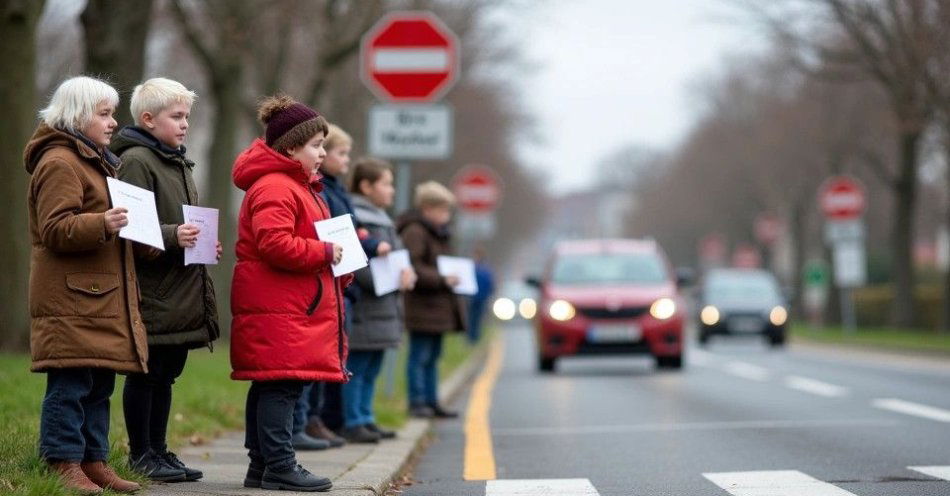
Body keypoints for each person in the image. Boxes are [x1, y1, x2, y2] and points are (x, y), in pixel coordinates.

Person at [24, 76, 148, 494]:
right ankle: (62, 461)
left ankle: (94, 461)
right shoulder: (60, 161)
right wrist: (103, 222)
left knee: (98, 383)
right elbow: (54, 228)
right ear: (78, 115)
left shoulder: (95, 160)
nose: (114, 123)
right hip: (71, 298)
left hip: (96, 297)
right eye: (105, 114)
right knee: (71, 383)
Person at [230, 94, 347, 492]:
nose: (322, 153)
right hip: (280, 306)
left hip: (290, 304)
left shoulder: (299, 187)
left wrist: (337, 267)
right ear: (291, 146)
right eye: (316, 145)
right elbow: (275, 244)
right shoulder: (277, 188)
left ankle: (261, 466)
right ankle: (280, 463)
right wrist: (325, 252)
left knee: (273, 384)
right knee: (280, 385)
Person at [112, 77, 221, 482]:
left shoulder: (176, 160)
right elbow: (132, 228)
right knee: (147, 372)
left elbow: (178, 222)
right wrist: (175, 235)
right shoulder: (139, 160)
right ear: (147, 118)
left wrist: (202, 242)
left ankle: (160, 449)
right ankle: (142, 454)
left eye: (187, 116)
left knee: (167, 372)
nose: (185, 124)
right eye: (177, 117)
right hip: (153, 288)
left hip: (179, 286)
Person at [292, 124, 391, 447]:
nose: (344, 159)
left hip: (342, 283)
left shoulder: (334, 190)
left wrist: (368, 243)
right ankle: (311, 420)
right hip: (333, 282)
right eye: (340, 152)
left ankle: (320, 419)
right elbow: (334, 231)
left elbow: (351, 230)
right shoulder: (323, 191)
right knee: (319, 360)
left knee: (330, 359)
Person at [344, 158, 417, 442]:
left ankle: (367, 417)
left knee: (372, 367)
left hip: (384, 307)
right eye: (386, 183)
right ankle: (354, 420)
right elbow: (356, 259)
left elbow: (395, 256)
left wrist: (406, 272)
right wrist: (379, 282)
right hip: (366, 305)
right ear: (366, 186)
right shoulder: (358, 218)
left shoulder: (383, 219)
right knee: (358, 367)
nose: (392, 190)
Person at [397, 181, 467, 419]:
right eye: (443, 210)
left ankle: (431, 399)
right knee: (419, 355)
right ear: (428, 208)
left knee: (434, 356)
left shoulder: (439, 233)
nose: (447, 216)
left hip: (438, 307)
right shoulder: (415, 232)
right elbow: (412, 265)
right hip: (422, 305)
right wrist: (441, 278)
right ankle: (417, 401)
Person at [468, 247, 495, 344]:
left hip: (482, 299)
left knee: (478, 319)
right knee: (470, 319)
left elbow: (490, 285)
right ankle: (470, 339)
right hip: (471, 298)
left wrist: (488, 295)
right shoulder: (471, 268)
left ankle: (475, 338)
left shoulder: (485, 270)